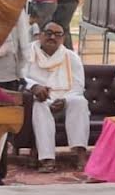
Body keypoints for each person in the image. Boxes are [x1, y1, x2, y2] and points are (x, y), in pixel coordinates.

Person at [23, 22, 88, 172]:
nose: (52, 37)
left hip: (65, 99)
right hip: (40, 98)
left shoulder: (71, 57)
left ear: (63, 39)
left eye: (57, 34)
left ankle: (80, 154)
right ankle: (47, 158)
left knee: (80, 102)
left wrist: (65, 100)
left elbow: (78, 86)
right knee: (39, 105)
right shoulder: (27, 53)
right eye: (48, 33)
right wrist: (34, 86)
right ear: (40, 35)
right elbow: (20, 76)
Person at [0, 0, 31, 185]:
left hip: (6, 75)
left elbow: (23, 43)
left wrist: (21, 72)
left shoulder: (13, 4)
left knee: (1, 129)